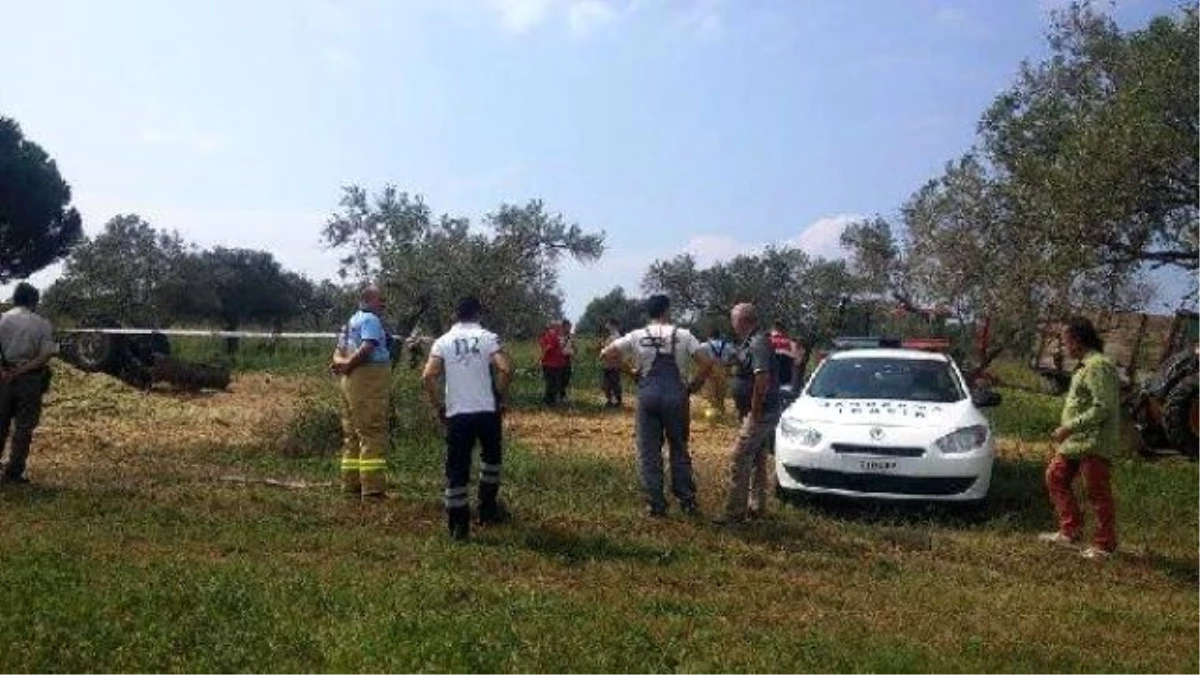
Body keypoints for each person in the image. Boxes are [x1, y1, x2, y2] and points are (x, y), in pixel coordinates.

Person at [601, 295, 714, 517]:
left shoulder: (637, 335)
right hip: (676, 397)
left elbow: (605, 355)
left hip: (648, 396)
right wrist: (694, 385)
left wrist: (631, 371)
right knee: (679, 448)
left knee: (649, 451)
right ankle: (687, 500)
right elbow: (707, 362)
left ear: (649, 313)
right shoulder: (683, 335)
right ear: (667, 311)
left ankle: (656, 503)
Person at [422, 297, 513, 541]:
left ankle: (458, 526)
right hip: (486, 412)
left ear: (455, 314)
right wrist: (500, 399)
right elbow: (505, 369)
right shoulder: (488, 337)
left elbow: (428, 376)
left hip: (458, 414)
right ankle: (487, 510)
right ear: (478, 313)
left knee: (457, 469)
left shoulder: (443, 342)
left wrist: (438, 407)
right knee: (491, 463)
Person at [1039, 316, 1121, 560]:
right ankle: (1070, 530)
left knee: (1097, 492)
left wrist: (1069, 427)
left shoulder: (1098, 366)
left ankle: (1104, 545)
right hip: (1077, 441)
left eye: (1065, 342)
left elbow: (1103, 406)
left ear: (1076, 340)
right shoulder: (1086, 365)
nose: (1065, 348)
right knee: (1055, 476)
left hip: (1093, 441)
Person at [716, 303, 784, 524]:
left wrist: (754, 412)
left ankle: (734, 513)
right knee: (757, 457)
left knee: (739, 456)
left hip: (760, 413)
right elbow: (738, 363)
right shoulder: (749, 343)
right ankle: (757, 506)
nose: (731, 324)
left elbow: (762, 379)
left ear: (743, 320)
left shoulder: (758, 343)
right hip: (755, 411)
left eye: (733, 319)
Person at [330, 284, 392, 500]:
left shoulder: (350, 322)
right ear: (368, 300)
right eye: (380, 299)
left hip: (348, 381)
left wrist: (342, 364)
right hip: (368, 378)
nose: (383, 303)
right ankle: (373, 490)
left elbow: (337, 353)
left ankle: (351, 487)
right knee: (372, 431)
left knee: (352, 434)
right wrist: (349, 364)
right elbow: (368, 348)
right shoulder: (371, 320)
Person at [0, 283, 57, 485]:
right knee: (24, 427)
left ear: (15, 299)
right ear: (34, 301)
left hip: (3, 377)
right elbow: (46, 354)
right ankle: (14, 472)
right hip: (30, 378)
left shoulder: (2, 319)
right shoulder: (42, 323)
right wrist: (22, 370)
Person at [702, 330, 735, 419]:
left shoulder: (704, 345)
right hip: (723, 369)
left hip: (709, 371)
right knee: (721, 394)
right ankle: (721, 413)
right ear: (719, 336)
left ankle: (712, 415)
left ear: (709, 336)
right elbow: (734, 357)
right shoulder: (728, 345)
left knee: (711, 394)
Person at [539, 320, 567, 406]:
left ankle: (550, 400)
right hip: (552, 364)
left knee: (551, 383)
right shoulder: (553, 335)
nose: (561, 328)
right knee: (553, 383)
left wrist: (541, 358)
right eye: (559, 326)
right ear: (555, 327)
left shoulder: (548, 335)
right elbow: (548, 347)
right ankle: (549, 401)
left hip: (553, 363)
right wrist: (542, 357)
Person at [768, 321, 799, 389]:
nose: (779, 330)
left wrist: (784, 352)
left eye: (780, 328)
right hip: (770, 379)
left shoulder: (790, 341)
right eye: (776, 328)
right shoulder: (768, 340)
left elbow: (796, 358)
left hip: (785, 378)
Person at [601, 318, 624, 408]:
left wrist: (605, 352)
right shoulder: (612, 336)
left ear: (613, 325)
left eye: (608, 324)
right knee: (607, 384)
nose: (607, 326)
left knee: (614, 383)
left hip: (613, 364)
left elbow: (616, 351)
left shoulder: (616, 336)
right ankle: (610, 401)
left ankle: (617, 401)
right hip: (609, 364)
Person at [559, 319, 576, 403]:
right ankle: (560, 395)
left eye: (570, 327)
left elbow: (574, 347)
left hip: (568, 359)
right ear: (563, 326)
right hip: (559, 360)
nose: (569, 328)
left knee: (566, 378)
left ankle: (563, 395)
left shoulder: (571, 337)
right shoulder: (558, 336)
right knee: (559, 378)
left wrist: (574, 357)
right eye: (568, 326)